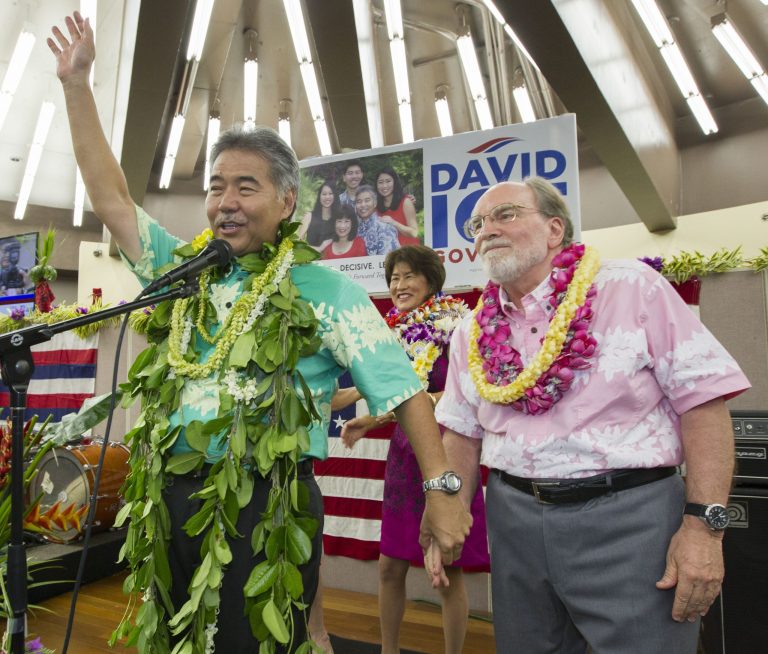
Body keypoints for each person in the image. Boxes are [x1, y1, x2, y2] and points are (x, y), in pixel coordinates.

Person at [48, 12, 471, 654]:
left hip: (264, 510)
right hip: (170, 497)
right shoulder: (184, 270)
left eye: (247, 186)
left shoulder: (327, 291)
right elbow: (110, 198)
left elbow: (404, 388)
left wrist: (442, 492)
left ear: (287, 203)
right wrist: (77, 87)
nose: (226, 202)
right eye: (217, 187)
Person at [429, 176, 750, 654]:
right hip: (513, 524)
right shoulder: (471, 331)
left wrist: (704, 530)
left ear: (555, 229)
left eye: (505, 214)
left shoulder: (631, 287)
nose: (486, 229)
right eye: (478, 223)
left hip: (630, 522)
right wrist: (447, 510)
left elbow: (703, 403)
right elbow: (460, 433)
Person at [340, 245, 489, 654]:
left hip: (448, 451)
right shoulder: (395, 334)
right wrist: (368, 418)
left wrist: (420, 401)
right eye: (393, 278)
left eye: (408, 276)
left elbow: (459, 394)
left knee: (450, 571)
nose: (399, 285)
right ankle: (389, 650)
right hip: (404, 459)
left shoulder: (459, 324)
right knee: (390, 566)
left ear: (430, 280)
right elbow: (400, 395)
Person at [375, 167, 420, 246]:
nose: (384, 186)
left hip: (409, 252)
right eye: (380, 182)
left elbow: (414, 233)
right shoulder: (375, 205)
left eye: (388, 181)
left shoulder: (406, 202)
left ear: (395, 182)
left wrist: (393, 223)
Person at [354, 185, 399, 256]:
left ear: (375, 203)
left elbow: (387, 260)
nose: (363, 205)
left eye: (367, 200)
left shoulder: (385, 228)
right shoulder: (355, 230)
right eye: (359, 202)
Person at [298, 180, 340, 251]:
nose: (327, 197)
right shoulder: (309, 216)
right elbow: (297, 244)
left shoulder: (339, 218)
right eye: (324, 194)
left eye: (330, 193)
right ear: (319, 196)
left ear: (335, 196)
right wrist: (320, 248)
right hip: (312, 259)